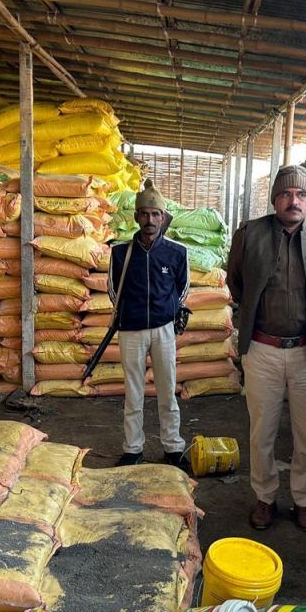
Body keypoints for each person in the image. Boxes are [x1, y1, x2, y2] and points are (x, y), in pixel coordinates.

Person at [227, 164, 306, 532]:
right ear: (275, 199)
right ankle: (265, 498)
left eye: (302, 194)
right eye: (287, 194)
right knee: (262, 432)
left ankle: (303, 500)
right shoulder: (250, 235)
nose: (295, 200)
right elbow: (236, 282)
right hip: (263, 349)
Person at [108, 180, 190, 468]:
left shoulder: (176, 252)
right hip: (130, 331)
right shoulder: (120, 253)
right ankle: (133, 449)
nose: (150, 220)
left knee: (167, 391)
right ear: (136, 217)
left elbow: (183, 288)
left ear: (163, 217)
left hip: (163, 330)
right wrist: (129, 313)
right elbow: (113, 290)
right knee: (133, 393)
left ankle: (173, 447)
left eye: (156, 214)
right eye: (144, 214)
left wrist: (167, 311)